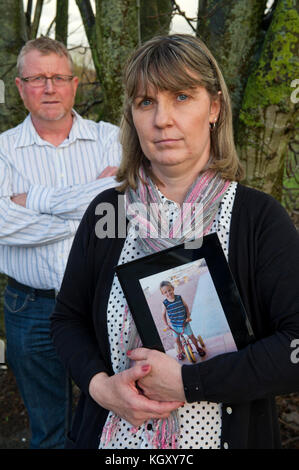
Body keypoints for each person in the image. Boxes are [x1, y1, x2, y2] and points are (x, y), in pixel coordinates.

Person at [50, 34, 299, 449]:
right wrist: (100, 388)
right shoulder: (109, 213)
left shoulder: (255, 220)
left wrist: (189, 382)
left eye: (181, 96)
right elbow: (67, 320)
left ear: (215, 107)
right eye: (146, 102)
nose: (162, 119)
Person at [0, 36, 122, 449]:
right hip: (29, 307)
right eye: (37, 78)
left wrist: (34, 203)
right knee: (48, 430)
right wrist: (89, 205)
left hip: (103, 300)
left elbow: (123, 202)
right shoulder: (2, 151)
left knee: (111, 421)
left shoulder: (112, 139)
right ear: (20, 87)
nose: (49, 88)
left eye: (58, 77)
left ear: (73, 84)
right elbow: (0, 223)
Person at [160, 280, 205, 360]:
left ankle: (198, 348)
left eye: (169, 290)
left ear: (173, 288)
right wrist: (166, 325)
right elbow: (163, 315)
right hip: (175, 325)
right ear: (163, 294)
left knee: (191, 336)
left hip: (185, 323)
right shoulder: (165, 303)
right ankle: (181, 351)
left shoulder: (179, 297)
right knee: (177, 340)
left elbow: (186, 307)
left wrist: (188, 317)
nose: (168, 293)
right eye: (165, 292)